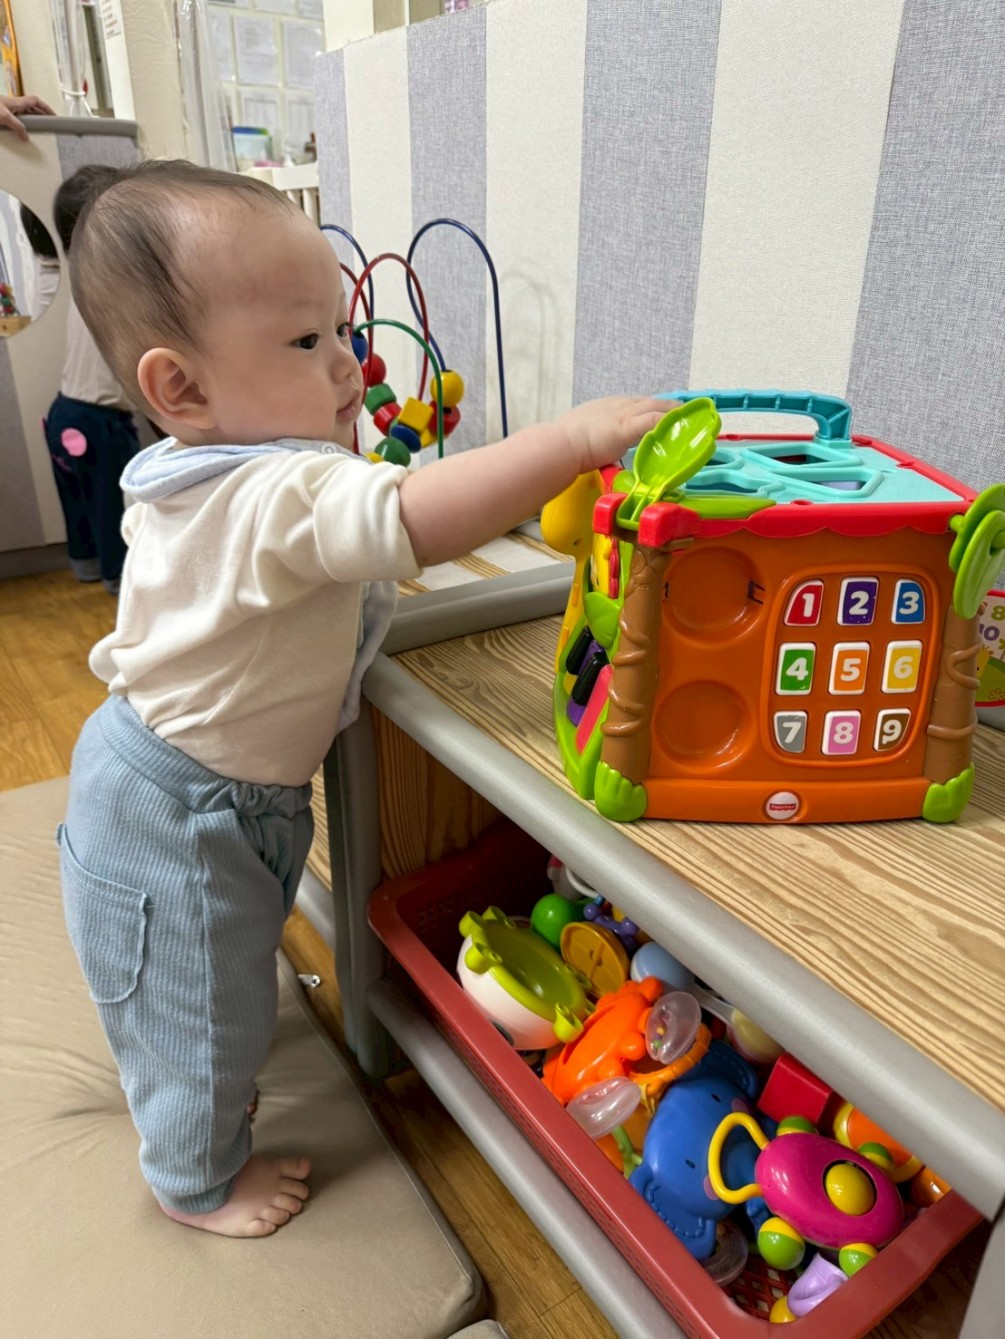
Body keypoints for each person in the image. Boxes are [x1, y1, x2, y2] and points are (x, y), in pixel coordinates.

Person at [58, 158, 670, 1240]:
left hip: (173, 785)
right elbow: (415, 517)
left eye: (341, 327)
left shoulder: (187, 469)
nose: (348, 363)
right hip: (185, 816)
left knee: (194, 993)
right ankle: (194, 1181)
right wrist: (570, 442)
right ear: (180, 388)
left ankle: (192, 1097)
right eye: (306, 341)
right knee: (202, 1014)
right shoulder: (273, 487)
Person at [44, 166, 141, 592]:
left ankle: (85, 564)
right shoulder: (121, 281)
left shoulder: (81, 275)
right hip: (101, 422)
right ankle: (119, 576)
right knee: (111, 502)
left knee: (79, 498)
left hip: (63, 414)